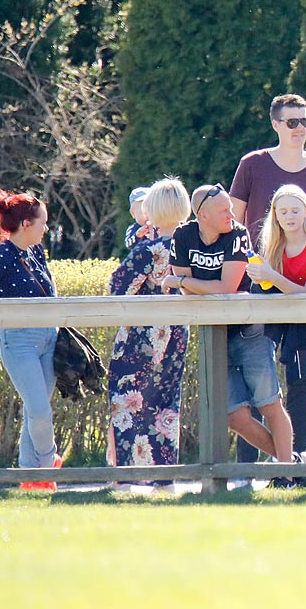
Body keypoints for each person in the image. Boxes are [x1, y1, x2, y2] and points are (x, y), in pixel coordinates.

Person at [166, 185, 298, 467]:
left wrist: (183, 282)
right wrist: (195, 287)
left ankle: (287, 473)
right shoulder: (183, 236)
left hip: (249, 331)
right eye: (224, 210)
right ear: (202, 215)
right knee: (234, 417)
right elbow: (192, 295)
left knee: (269, 404)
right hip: (214, 334)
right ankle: (292, 464)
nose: (231, 214)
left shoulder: (237, 234)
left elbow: (225, 287)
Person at [0, 192, 59, 478]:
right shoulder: (3, 254)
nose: (47, 228)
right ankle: (49, 463)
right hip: (19, 341)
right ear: (27, 223)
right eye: (44, 222)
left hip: (49, 338)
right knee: (40, 412)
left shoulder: (36, 251)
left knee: (34, 411)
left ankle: (31, 476)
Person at [246, 184, 306, 465]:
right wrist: (261, 277)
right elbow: (269, 288)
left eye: (295, 210)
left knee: (300, 384)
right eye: (283, 211)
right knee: (261, 379)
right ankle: (273, 454)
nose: (289, 217)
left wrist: (270, 275)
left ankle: (298, 452)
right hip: (281, 317)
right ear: (275, 215)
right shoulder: (272, 245)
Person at [105, 178, 190, 469]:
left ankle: (127, 474)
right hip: (177, 332)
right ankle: (164, 477)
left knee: (127, 402)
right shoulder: (190, 248)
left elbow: (118, 287)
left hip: (139, 334)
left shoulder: (148, 250)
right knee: (166, 405)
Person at [228, 94, 306, 239]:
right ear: (275, 125)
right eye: (292, 122)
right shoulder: (252, 165)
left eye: (304, 122)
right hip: (259, 259)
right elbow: (233, 223)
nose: (300, 128)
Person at [124, 186, 153, 251]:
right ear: (133, 213)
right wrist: (137, 236)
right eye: (144, 212)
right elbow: (128, 244)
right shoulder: (133, 228)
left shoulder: (159, 226)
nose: (149, 215)